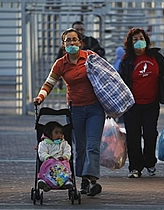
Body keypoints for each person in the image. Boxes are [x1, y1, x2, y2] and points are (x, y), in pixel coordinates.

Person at [33, 28, 105, 196]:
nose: (72, 43)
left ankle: (93, 180)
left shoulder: (90, 57)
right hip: (76, 109)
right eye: (68, 41)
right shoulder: (61, 64)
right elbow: (49, 83)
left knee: (93, 145)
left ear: (80, 42)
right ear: (63, 44)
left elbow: (106, 77)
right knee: (80, 147)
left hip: (95, 108)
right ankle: (83, 180)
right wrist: (40, 97)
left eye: (74, 40)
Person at [118, 27, 164, 178]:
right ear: (130, 43)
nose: (139, 42)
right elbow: (121, 82)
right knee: (133, 136)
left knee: (150, 134)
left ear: (146, 40)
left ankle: (150, 162)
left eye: (141, 38)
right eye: (135, 40)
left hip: (151, 103)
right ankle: (135, 167)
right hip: (132, 105)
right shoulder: (127, 61)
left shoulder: (156, 57)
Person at [56, 20, 106, 90]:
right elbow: (59, 62)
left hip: (90, 77)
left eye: (81, 29)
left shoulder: (91, 41)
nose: (79, 31)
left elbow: (101, 53)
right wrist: (59, 80)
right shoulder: (66, 44)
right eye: (77, 29)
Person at [37, 121, 73, 192]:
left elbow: (67, 151)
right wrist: (47, 157)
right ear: (49, 134)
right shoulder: (44, 143)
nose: (59, 135)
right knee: (45, 168)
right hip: (49, 163)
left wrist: (64, 157)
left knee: (66, 165)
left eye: (60, 133)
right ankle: (44, 181)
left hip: (61, 163)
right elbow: (42, 153)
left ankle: (66, 180)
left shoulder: (64, 143)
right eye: (56, 133)